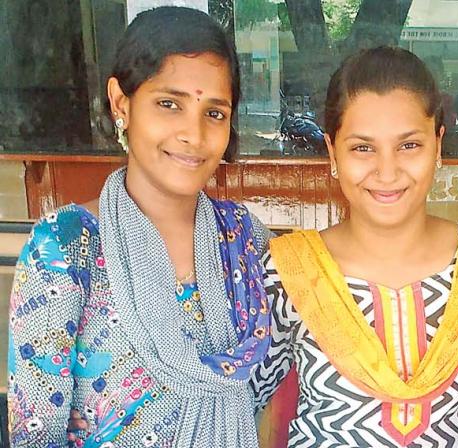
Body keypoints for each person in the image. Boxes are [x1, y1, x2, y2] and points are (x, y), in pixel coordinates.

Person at [7, 7, 272, 447]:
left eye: (214, 113)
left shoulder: (244, 238)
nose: (193, 134)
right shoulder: (66, 249)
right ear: (120, 103)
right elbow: (36, 435)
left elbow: (260, 390)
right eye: (169, 104)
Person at [249, 46, 458, 447]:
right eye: (363, 148)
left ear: (438, 145)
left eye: (409, 146)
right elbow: (244, 401)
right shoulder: (286, 272)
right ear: (332, 153)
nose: (386, 171)